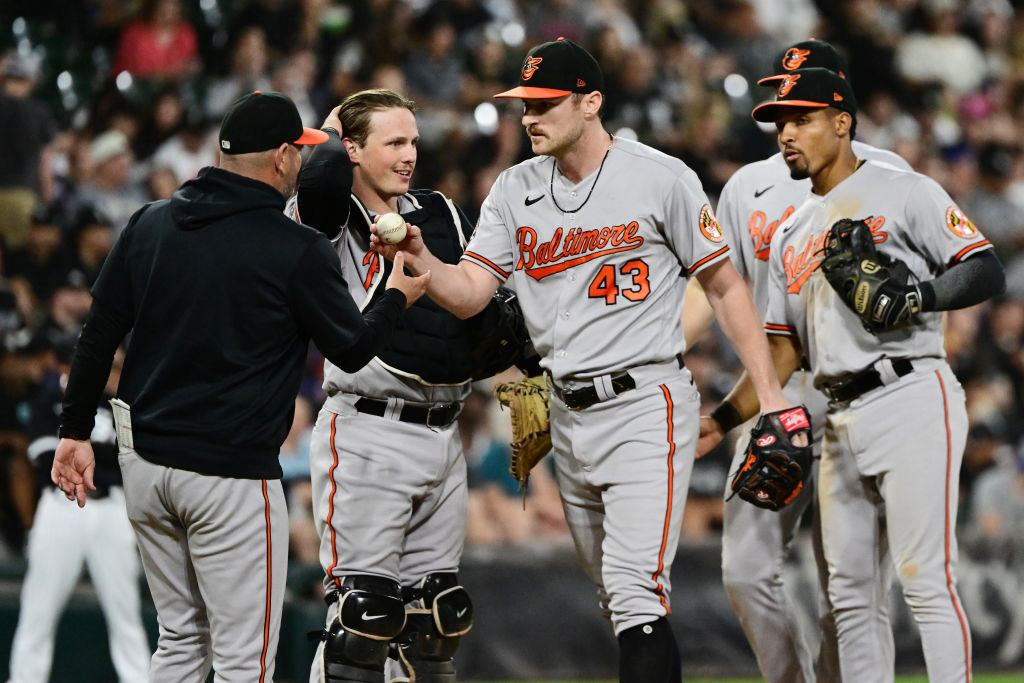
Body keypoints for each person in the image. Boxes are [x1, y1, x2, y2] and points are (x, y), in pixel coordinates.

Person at [373, 39, 799, 682]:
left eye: (545, 104)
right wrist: (426, 266)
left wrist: (770, 398)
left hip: (645, 402)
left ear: (590, 102)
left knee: (636, 592)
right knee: (616, 600)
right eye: (524, 105)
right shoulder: (515, 189)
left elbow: (724, 286)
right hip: (562, 414)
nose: (529, 117)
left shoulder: (661, 176)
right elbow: (471, 295)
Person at [50, 90, 429, 683]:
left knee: (179, 644)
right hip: (229, 478)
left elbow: (97, 338)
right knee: (242, 664)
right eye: (299, 154)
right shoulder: (294, 247)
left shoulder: (149, 223)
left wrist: (73, 430)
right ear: (280, 158)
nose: (303, 164)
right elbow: (354, 349)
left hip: (146, 467)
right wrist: (397, 294)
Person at [698, 67, 1005, 682]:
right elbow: (783, 352)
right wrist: (721, 419)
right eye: (780, 123)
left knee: (925, 579)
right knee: (850, 596)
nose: (787, 134)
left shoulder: (904, 189)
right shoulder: (789, 232)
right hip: (837, 418)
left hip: (911, 392)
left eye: (802, 120)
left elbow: (984, 268)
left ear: (843, 123)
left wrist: (920, 295)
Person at [681, 39, 912, 683]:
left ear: (840, 104)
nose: (788, 113)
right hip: (772, 390)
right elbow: (712, 287)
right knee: (746, 572)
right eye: (781, 102)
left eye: (802, 98)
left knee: (852, 586)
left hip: (861, 395)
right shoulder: (747, 187)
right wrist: (662, 349)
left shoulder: (891, 175)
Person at [289, 88, 480, 683]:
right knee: (363, 623)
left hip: (444, 433)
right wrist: (332, 131)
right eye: (393, 142)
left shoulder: (442, 212)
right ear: (351, 149)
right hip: (369, 428)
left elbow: (484, 301)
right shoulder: (325, 216)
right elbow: (315, 174)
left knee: (436, 625)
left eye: (413, 142)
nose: (408, 155)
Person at [7, 345, 151, 683]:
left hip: (112, 511)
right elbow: (46, 461)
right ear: (61, 364)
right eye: (74, 362)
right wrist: (102, 460)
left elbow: (130, 463)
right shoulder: (48, 402)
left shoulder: (116, 405)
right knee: (37, 611)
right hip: (61, 509)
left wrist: (88, 460)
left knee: (126, 612)